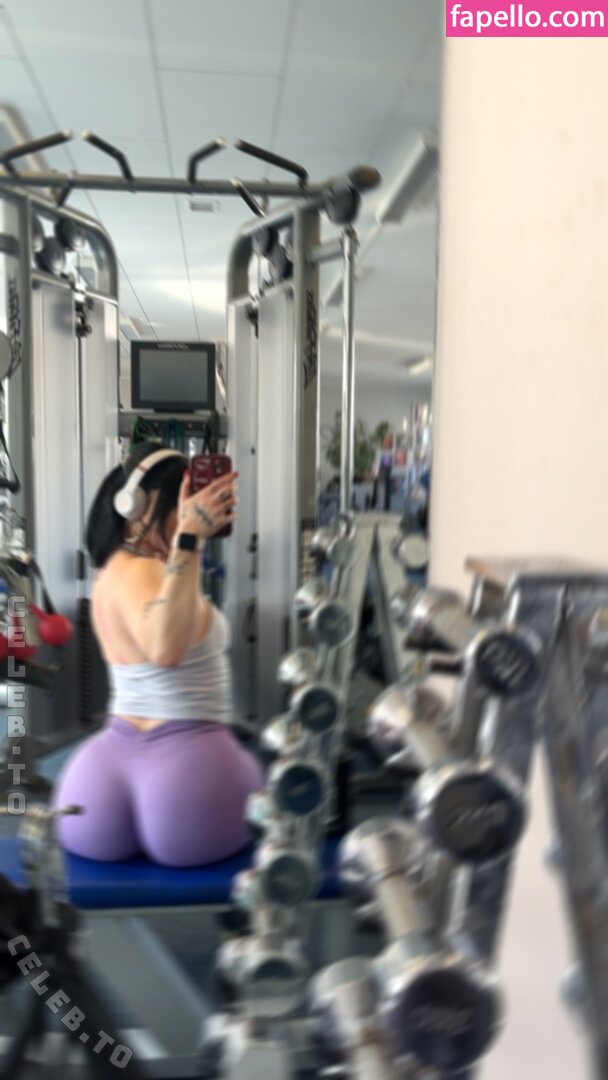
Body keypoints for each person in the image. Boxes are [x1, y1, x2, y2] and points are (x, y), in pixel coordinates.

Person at [52, 442, 263, 868]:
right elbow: (164, 649)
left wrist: (189, 545)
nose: (186, 513)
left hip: (97, 778)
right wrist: (189, 538)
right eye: (179, 504)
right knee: (272, 785)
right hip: (189, 775)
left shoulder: (111, 571)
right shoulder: (145, 568)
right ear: (138, 507)